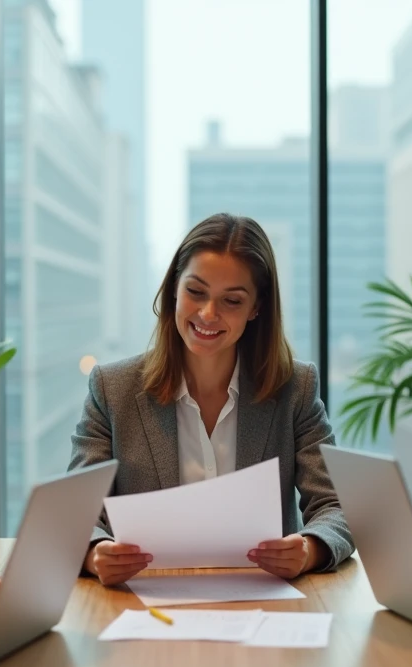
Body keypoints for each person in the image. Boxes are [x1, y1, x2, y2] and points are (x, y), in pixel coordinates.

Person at [69, 213, 353, 585]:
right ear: (174, 288)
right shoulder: (112, 389)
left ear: (256, 308)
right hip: (145, 600)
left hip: (266, 601)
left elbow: (337, 506)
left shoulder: (295, 388)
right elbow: (74, 516)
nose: (207, 314)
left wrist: (309, 549)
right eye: (196, 292)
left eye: (231, 300)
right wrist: (94, 553)